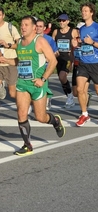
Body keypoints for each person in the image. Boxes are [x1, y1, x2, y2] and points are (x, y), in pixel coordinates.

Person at [0, 16, 65, 155]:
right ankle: (27, 145)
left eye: (26, 25)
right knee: (21, 113)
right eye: (22, 24)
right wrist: (6, 59)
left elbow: (53, 61)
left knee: (40, 117)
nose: (23, 27)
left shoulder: (39, 41)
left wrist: (43, 79)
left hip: (38, 85)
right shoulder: (21, 43)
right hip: (23, 84)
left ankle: (55, 121)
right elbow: (19, 61)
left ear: (34, 27)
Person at [75, 2, 98, 126]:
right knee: (79, 89)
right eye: (82, 11)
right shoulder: (82, 29)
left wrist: (92, 42)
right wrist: (78, 44)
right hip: (84, 62)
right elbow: (83, 44)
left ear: (91, 13)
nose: (83, 13)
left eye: (86, 11)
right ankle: (84, 114)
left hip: (96, 63)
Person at [52, 14, 79, 108]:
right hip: (58, 58)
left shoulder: (73, 32)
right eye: (59, 20)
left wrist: (72, 59)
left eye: (63, 21)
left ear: (68, 21)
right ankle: (70, 97)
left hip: (68, 58)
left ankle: (70, 97)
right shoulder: (56, 32)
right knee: (61, 79)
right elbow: (52, 44)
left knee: (62, 76)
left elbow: (78, 43)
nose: (61, 22)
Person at [36, 19, 59, 110]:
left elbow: (56, 52)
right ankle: (32, 103)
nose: (38, 28)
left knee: (42, 83)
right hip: (34, 66)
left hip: (45, 66)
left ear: (44, 28)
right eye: (36, 26)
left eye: (40, 26)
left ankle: (46, 99)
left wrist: (48, 57)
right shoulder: (31, 38)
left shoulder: (49, 39)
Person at [0, 7, 21, 100]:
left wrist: (7, 45)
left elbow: (19, 45)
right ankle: (1, 85)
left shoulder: (10, 27)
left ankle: (24, 103)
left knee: (12, 93)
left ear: (3, 15)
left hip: (10, 63)